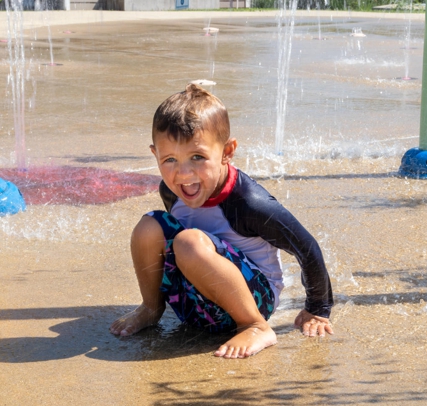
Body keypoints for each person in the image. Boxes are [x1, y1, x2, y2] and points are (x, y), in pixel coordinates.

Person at [110, 84, 334, 359]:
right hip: (196, 304)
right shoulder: (171, 190)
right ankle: (151, 308)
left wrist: (318, 309)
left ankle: (255, 327)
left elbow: (306, 246)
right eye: (169, 159)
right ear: (155, 154)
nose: (183, 173)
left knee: (188, 241)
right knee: (150, 226)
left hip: (253, 300)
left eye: (197, 157)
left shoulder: (249, 203)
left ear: (227, 151)